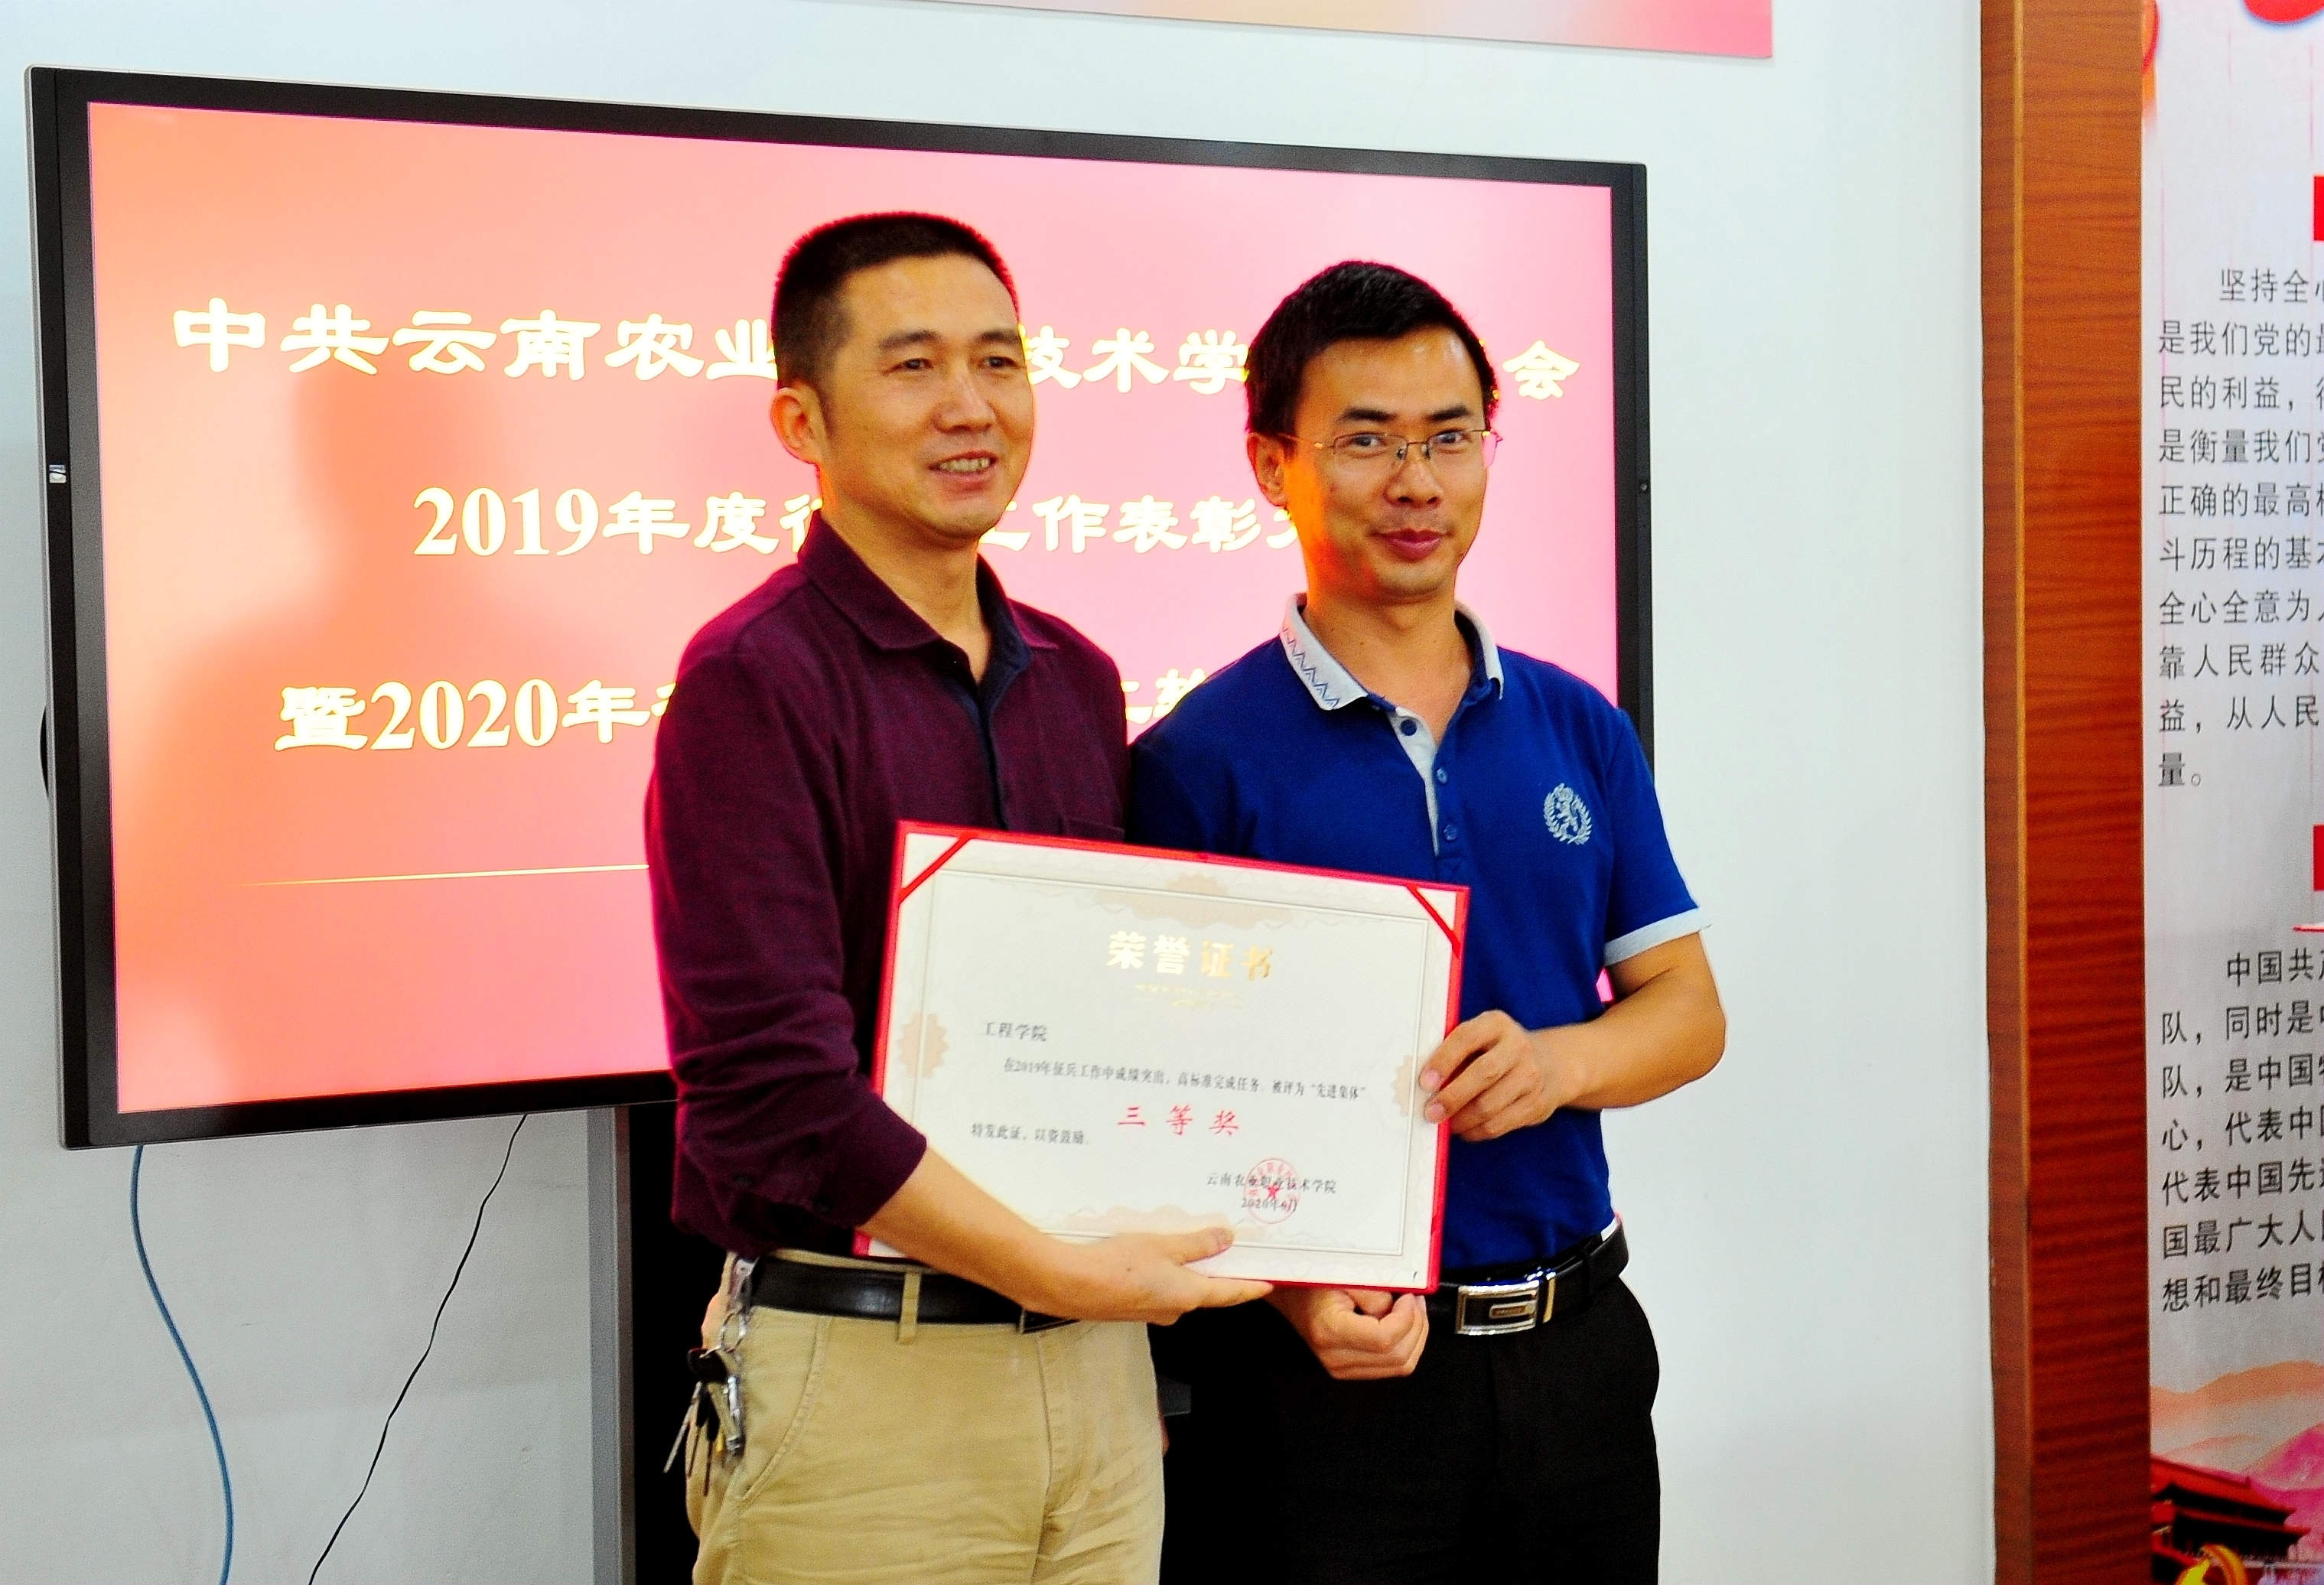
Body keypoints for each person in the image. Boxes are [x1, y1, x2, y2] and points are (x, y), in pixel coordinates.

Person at [647, 212, 1268, 1585]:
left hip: (1094, 1373)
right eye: (913, 365)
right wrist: (1050, 1271)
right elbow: (766, 1093)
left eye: (999, 360)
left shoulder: (1075, 676)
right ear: (800, 420)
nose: (971, 406)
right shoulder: (753, 679)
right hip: (869, 1370)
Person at [1133, 261, 1726, 1584]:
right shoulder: (1197, 759)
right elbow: (1162, 1096)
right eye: (1367, 441)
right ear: (1271, 465)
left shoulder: (1576, 723)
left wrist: (1557, 1063)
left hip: (1577, 1352)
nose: (1417, 482)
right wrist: (1296, 1290)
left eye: (1450, 438)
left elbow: (1688, 1015)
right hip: (1323, 1384)